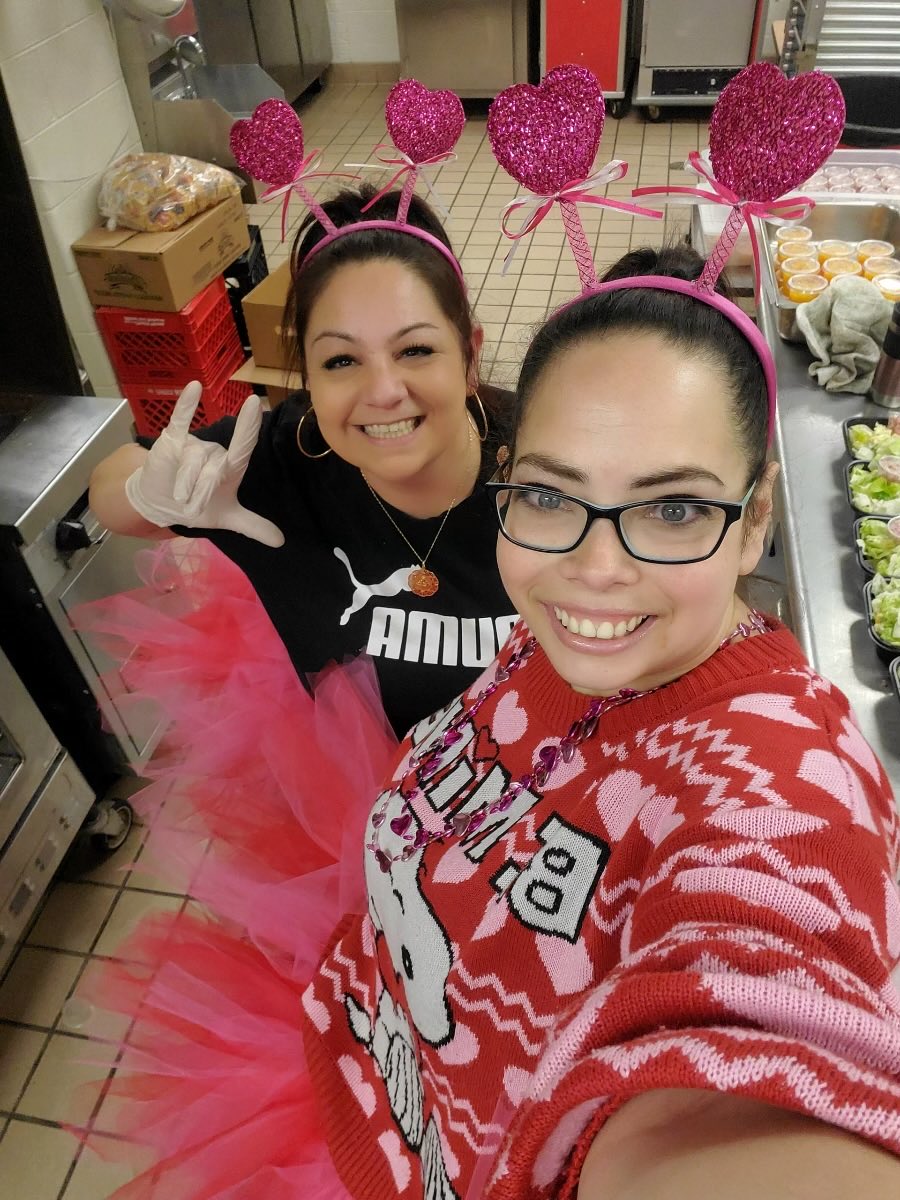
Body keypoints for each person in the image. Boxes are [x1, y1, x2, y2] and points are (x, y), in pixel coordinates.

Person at [75, 245, 900, 1200]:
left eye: (673, 508)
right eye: (551, 496)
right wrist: (145, 494)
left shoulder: (778, 782)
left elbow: (756, 1021)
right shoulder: (540, 640)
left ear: (756, 521)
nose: (596, 567)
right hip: (351, 1042)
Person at [87, 184, 516, 741]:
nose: (384, 391)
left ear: (470, 355)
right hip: (376, 792)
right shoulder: (281, 461)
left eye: (415, 350)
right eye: (341, 360)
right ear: (308, 378)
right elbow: (110, 484)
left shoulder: (541, 462)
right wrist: (146, 490)